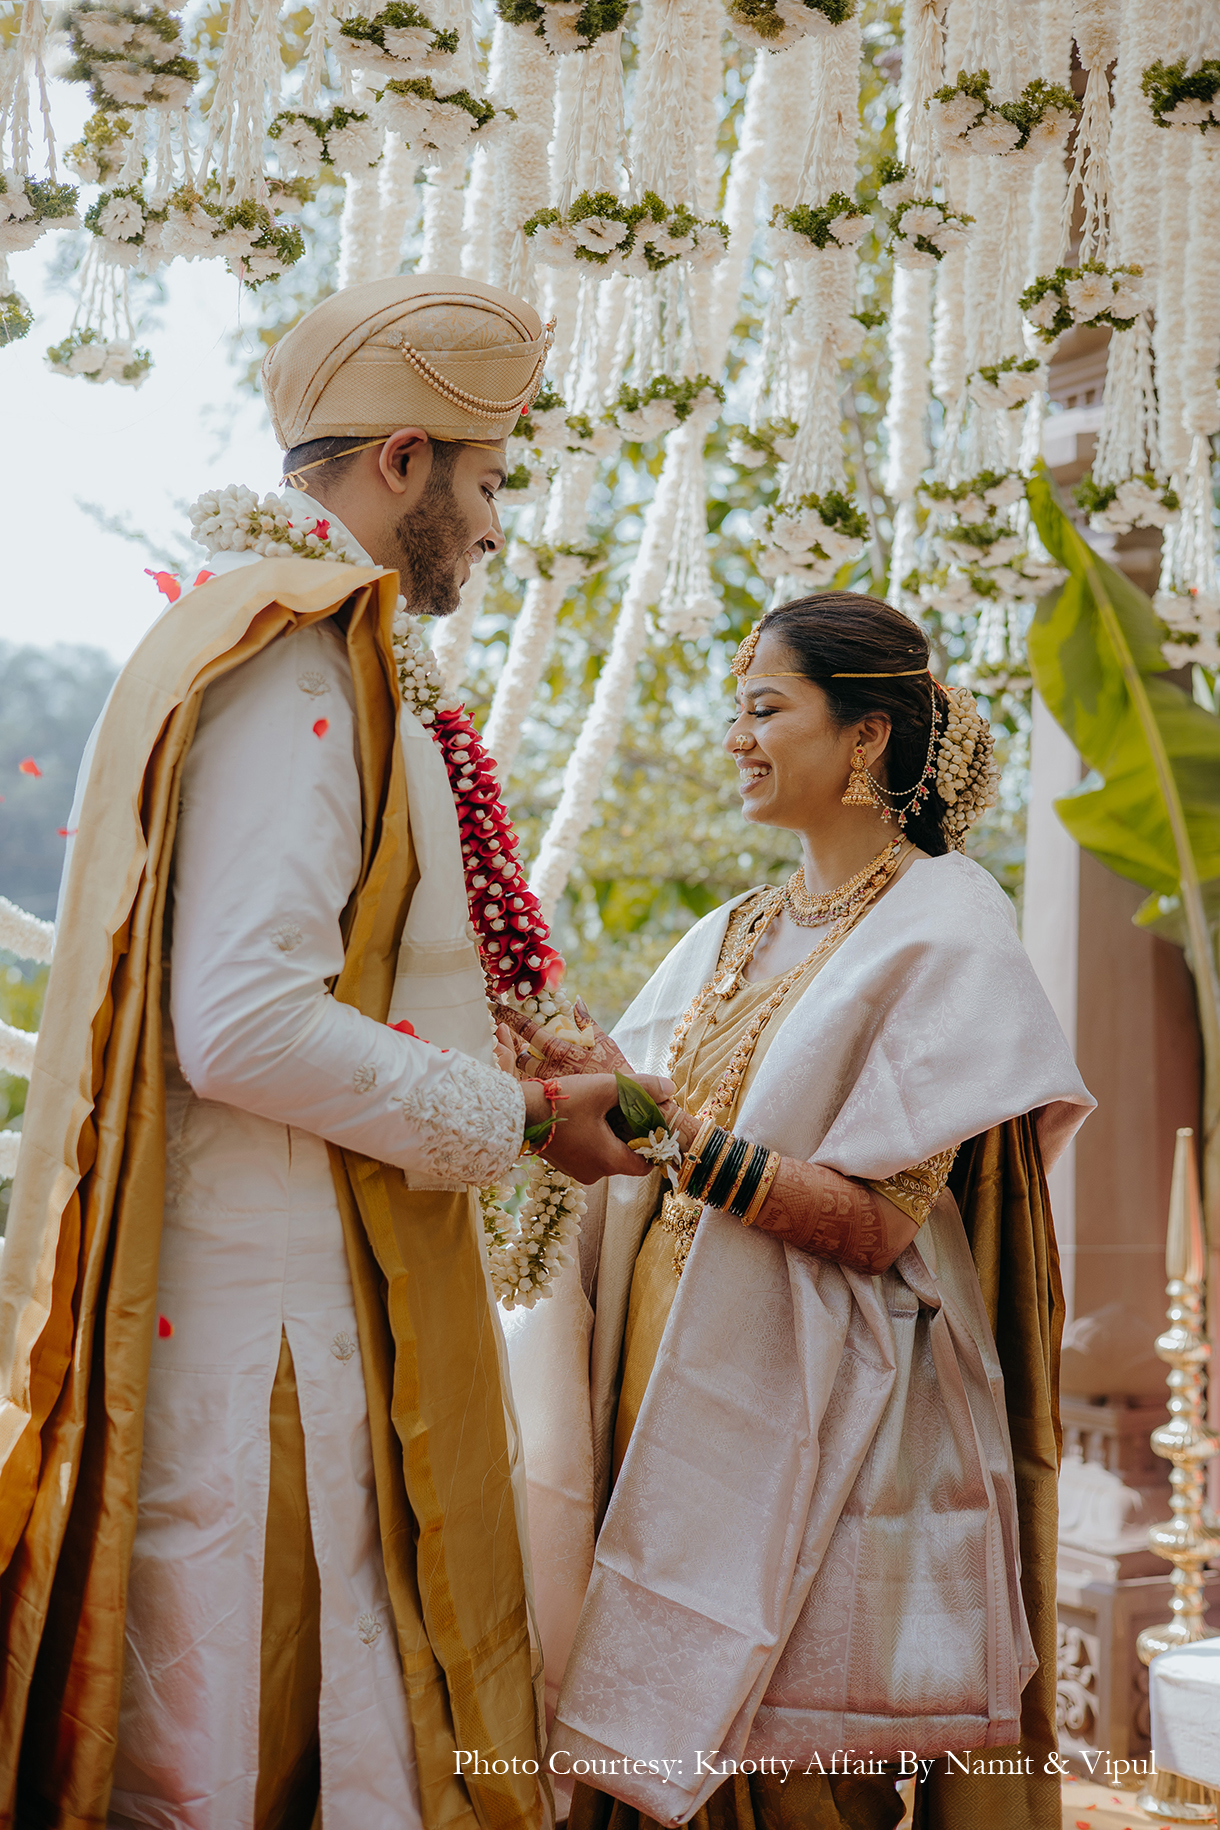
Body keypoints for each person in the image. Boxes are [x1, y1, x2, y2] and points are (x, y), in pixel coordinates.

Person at [0, 274, 671, 1828]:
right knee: (256, 1748)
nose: (494, 526)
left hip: (293, 1301)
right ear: (399, 461)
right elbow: (241, 1023)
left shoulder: (278, 642)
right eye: (488, 480)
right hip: (269, 1348)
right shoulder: (299, 661)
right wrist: (520, 1118)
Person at [499, 593, 1095, 1830]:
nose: (736, 740)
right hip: (664, 1358)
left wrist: (663, 1131)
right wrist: (541, 1056)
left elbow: (876, 1223)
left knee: (789, 1757)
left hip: (835, 1398)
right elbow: (665, 1106)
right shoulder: (739, 926)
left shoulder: (944, 925)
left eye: (765, 709)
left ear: (866, 736)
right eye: (736, 714)